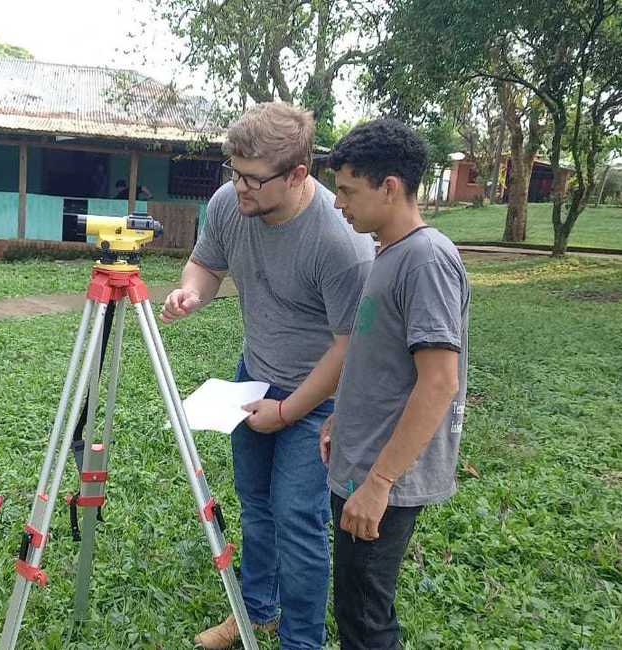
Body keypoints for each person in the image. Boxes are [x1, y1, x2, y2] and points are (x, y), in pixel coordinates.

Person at [160, 102, 375, 650]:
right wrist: (192, 292)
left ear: (298, 174)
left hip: (318, 397)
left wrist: (287, 412)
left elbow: (348, 350)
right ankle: (254, 611)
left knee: (298, 523)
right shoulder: (231, 204)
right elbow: (206, 264)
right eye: (233, 173)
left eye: (252, 179)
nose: (238, 188)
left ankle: (300, 641)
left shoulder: (340, 243)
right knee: (255, 505)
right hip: (253, 376)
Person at [322, 118, 471, 650]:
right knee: (355, 607)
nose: (338, 203)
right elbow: (378, 358)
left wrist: (380, 482)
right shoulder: (387, 253)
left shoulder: (427, 260)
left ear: (389, 187)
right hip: (359, 458)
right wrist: (341, 416)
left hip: (382, 478)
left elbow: (438, 383)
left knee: (366, 620)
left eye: (347, 191)